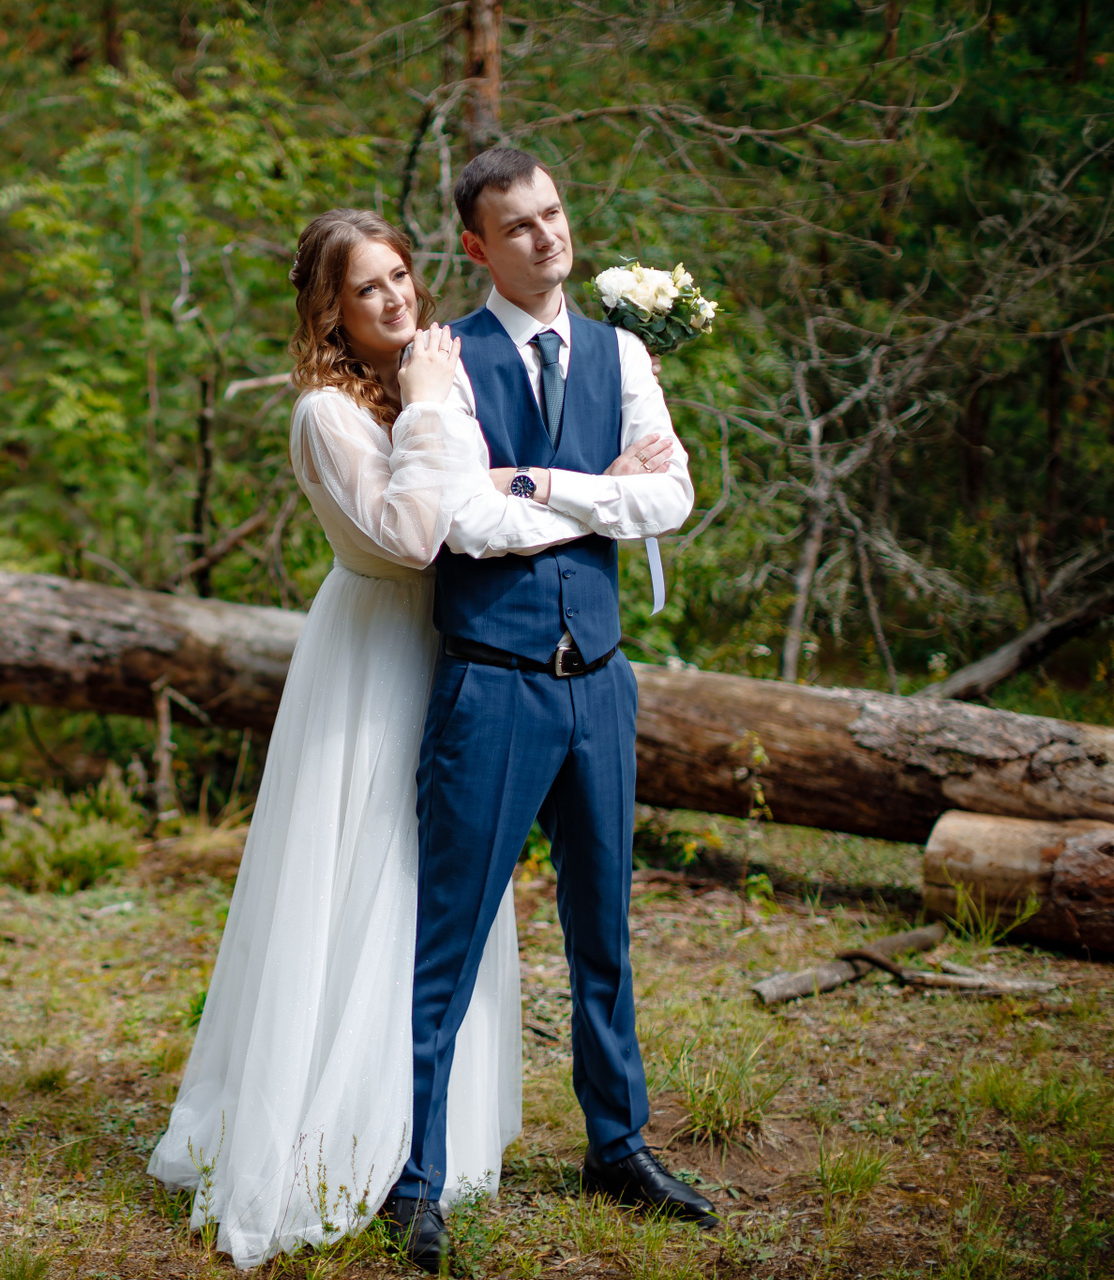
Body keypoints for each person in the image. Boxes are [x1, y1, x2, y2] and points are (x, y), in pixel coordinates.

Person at [147, 207, 666, 1270]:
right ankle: (349, 1140)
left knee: (445, 898)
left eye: (399, 276)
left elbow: (508, 498)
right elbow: (418, 535)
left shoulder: (438, 373)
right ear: (328, 311)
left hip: (470, 651)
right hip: (379, 660)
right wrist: (474, 435)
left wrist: (566, 485)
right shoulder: (331, 414)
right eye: (365, 288)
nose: (394, 299)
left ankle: (438, 1137)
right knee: (376, 889)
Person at [384, 147, 711, 1272]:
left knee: (603, 931)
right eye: (518, 225)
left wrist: (539, 483)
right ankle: (415, 1178)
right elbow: (463, 523)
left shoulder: (623, 352)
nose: (547, 236)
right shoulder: (445, 360)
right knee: (449, 938)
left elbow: (671, 495)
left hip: (602, 684)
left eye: (554, 213)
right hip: (492, 683)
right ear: (476, 246)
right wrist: (603, 494)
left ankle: (618, 1145)